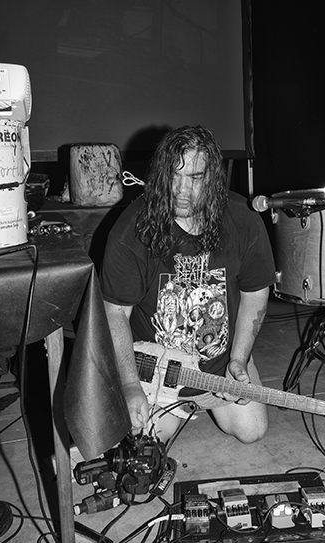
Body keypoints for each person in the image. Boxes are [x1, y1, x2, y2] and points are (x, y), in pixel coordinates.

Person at [100, 125, 276, 444]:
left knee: (252, 430)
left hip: (219, 363)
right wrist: (129, 384)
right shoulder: (132, 228)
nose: (181, 189)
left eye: (195, 177)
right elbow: (114, 313)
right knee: (146, 440)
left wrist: (238, 358)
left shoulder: (243, 220)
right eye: (174, 175)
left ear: (213, 178)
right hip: (157, 368)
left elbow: (255, 294)